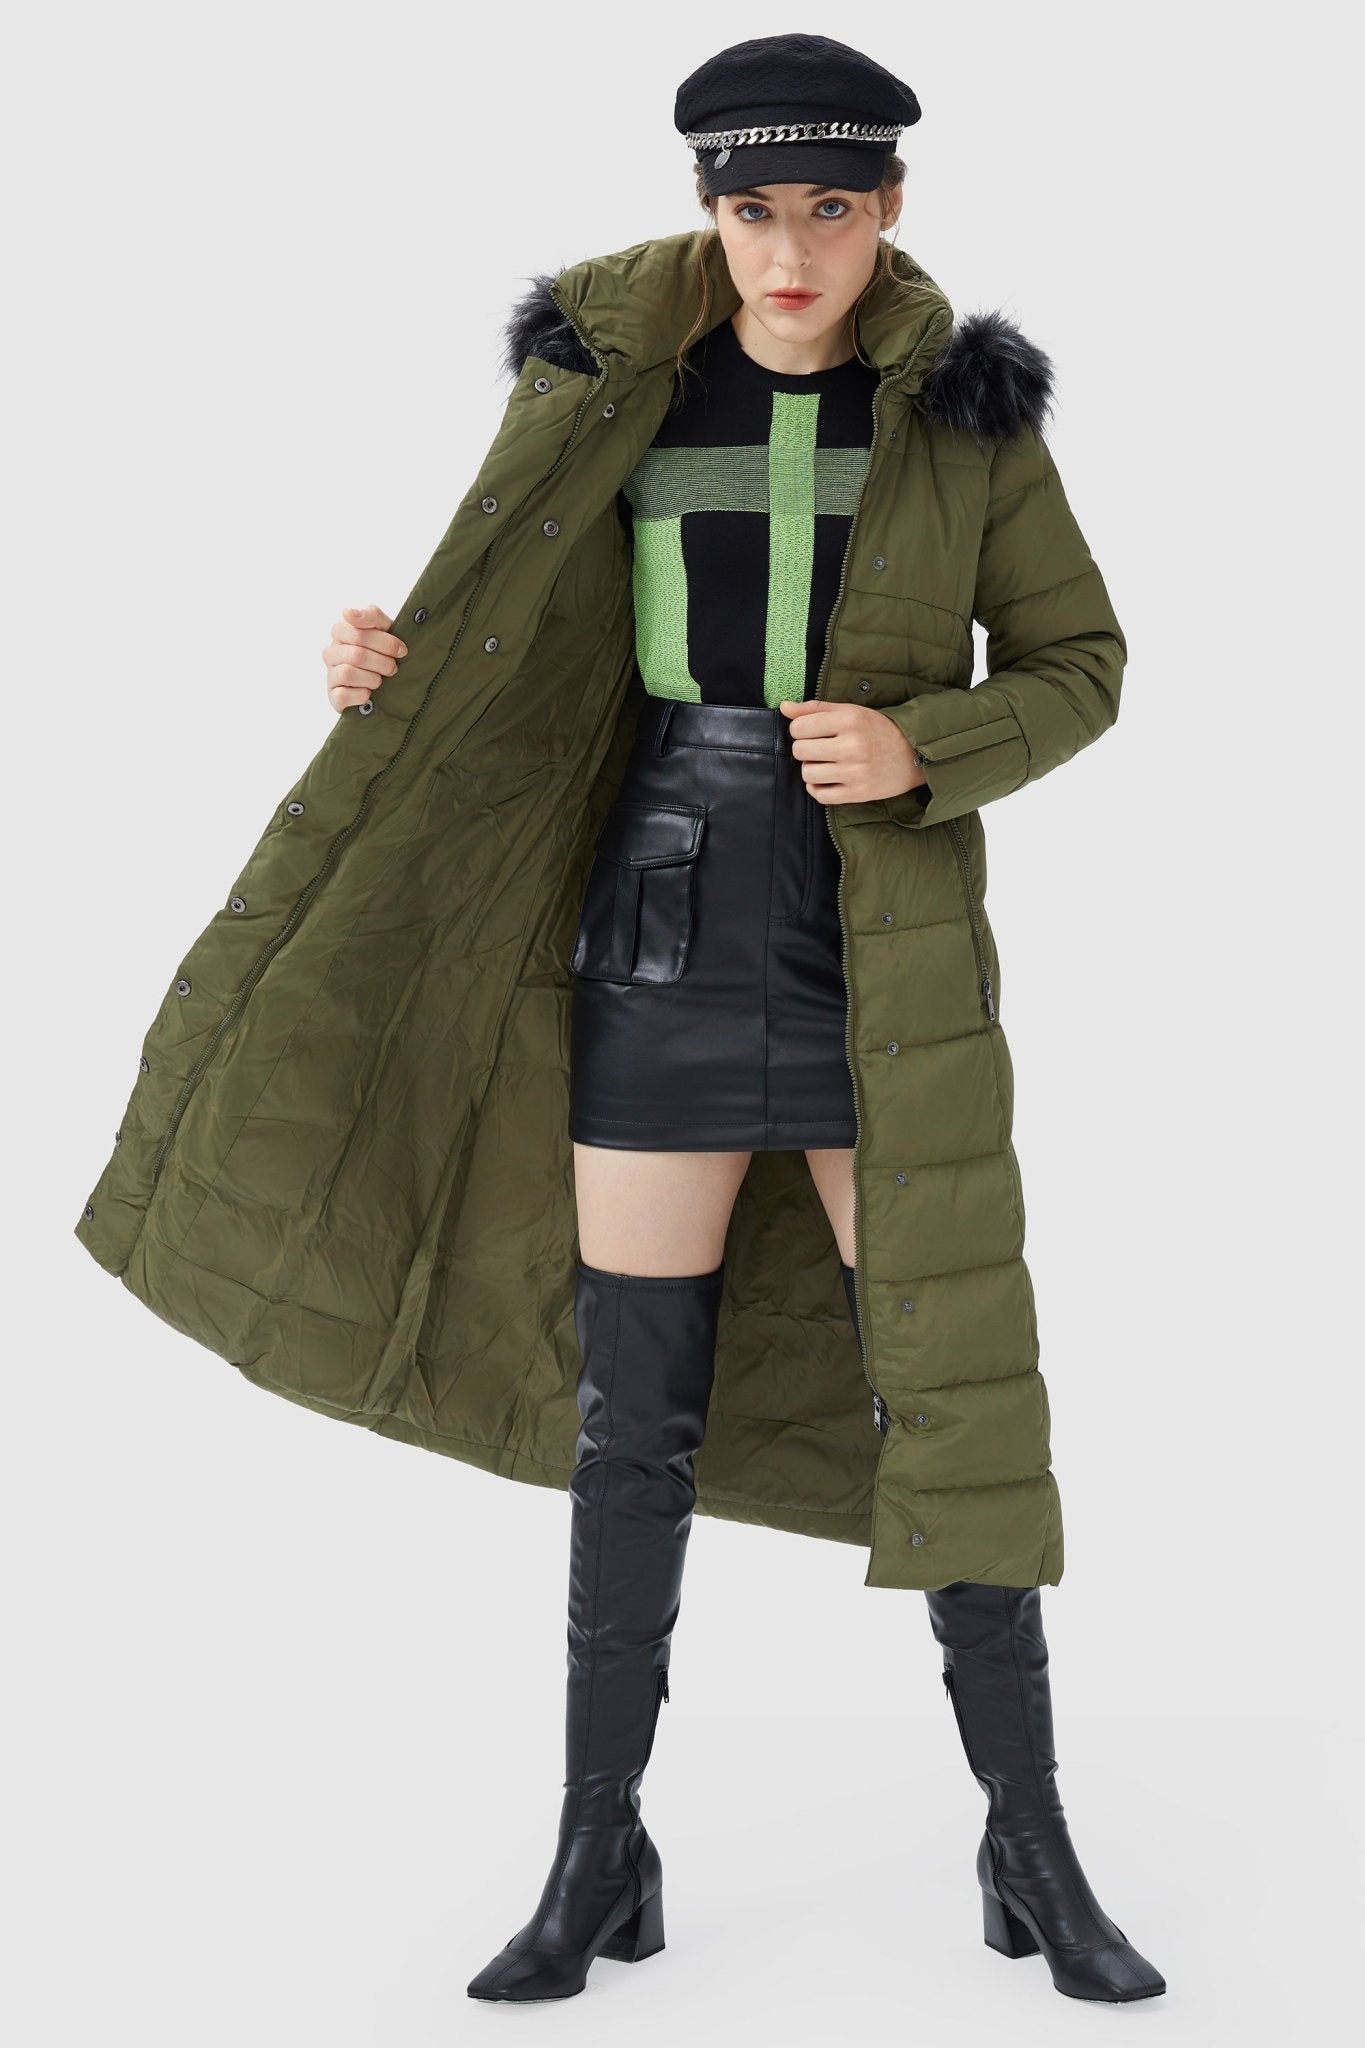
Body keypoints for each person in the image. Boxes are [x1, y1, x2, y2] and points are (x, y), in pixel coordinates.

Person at [318, 33, 1166, 2009]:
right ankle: (595, 1849)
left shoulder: (962, 417)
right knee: (632, 1422)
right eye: (751, 210)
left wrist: (927, 745)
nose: (788, 256)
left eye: (830, 211)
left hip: (879, 932)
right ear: (705, 207)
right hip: (663, 908)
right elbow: (505, 638)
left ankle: (1027, 1842)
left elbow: (1082, 659)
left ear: (889, 209)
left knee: (951, 1389)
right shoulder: (605, 388)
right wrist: (378, 661)